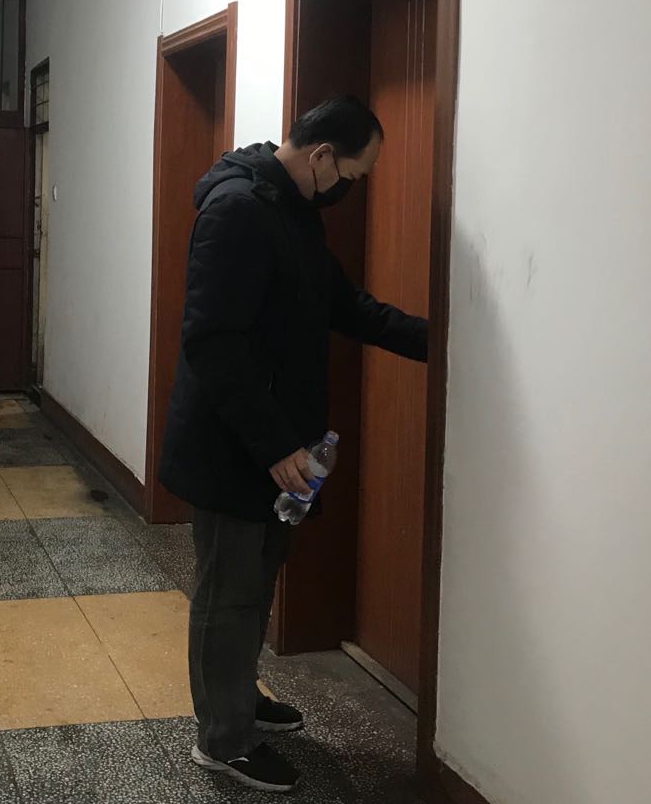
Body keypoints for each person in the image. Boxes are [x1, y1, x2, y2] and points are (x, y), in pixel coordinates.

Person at [159, 96, 428, 794]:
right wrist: (277, 446)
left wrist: (435, 341)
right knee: (227, 594)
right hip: (235, 447)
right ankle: (222, 741)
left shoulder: (293, 210)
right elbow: (213, 342)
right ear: (322, 155)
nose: (351, 189)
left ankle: (239, 701)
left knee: (255, 585)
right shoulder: (237, 211)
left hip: (277, 448)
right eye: (354, 176)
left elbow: (343, 304)